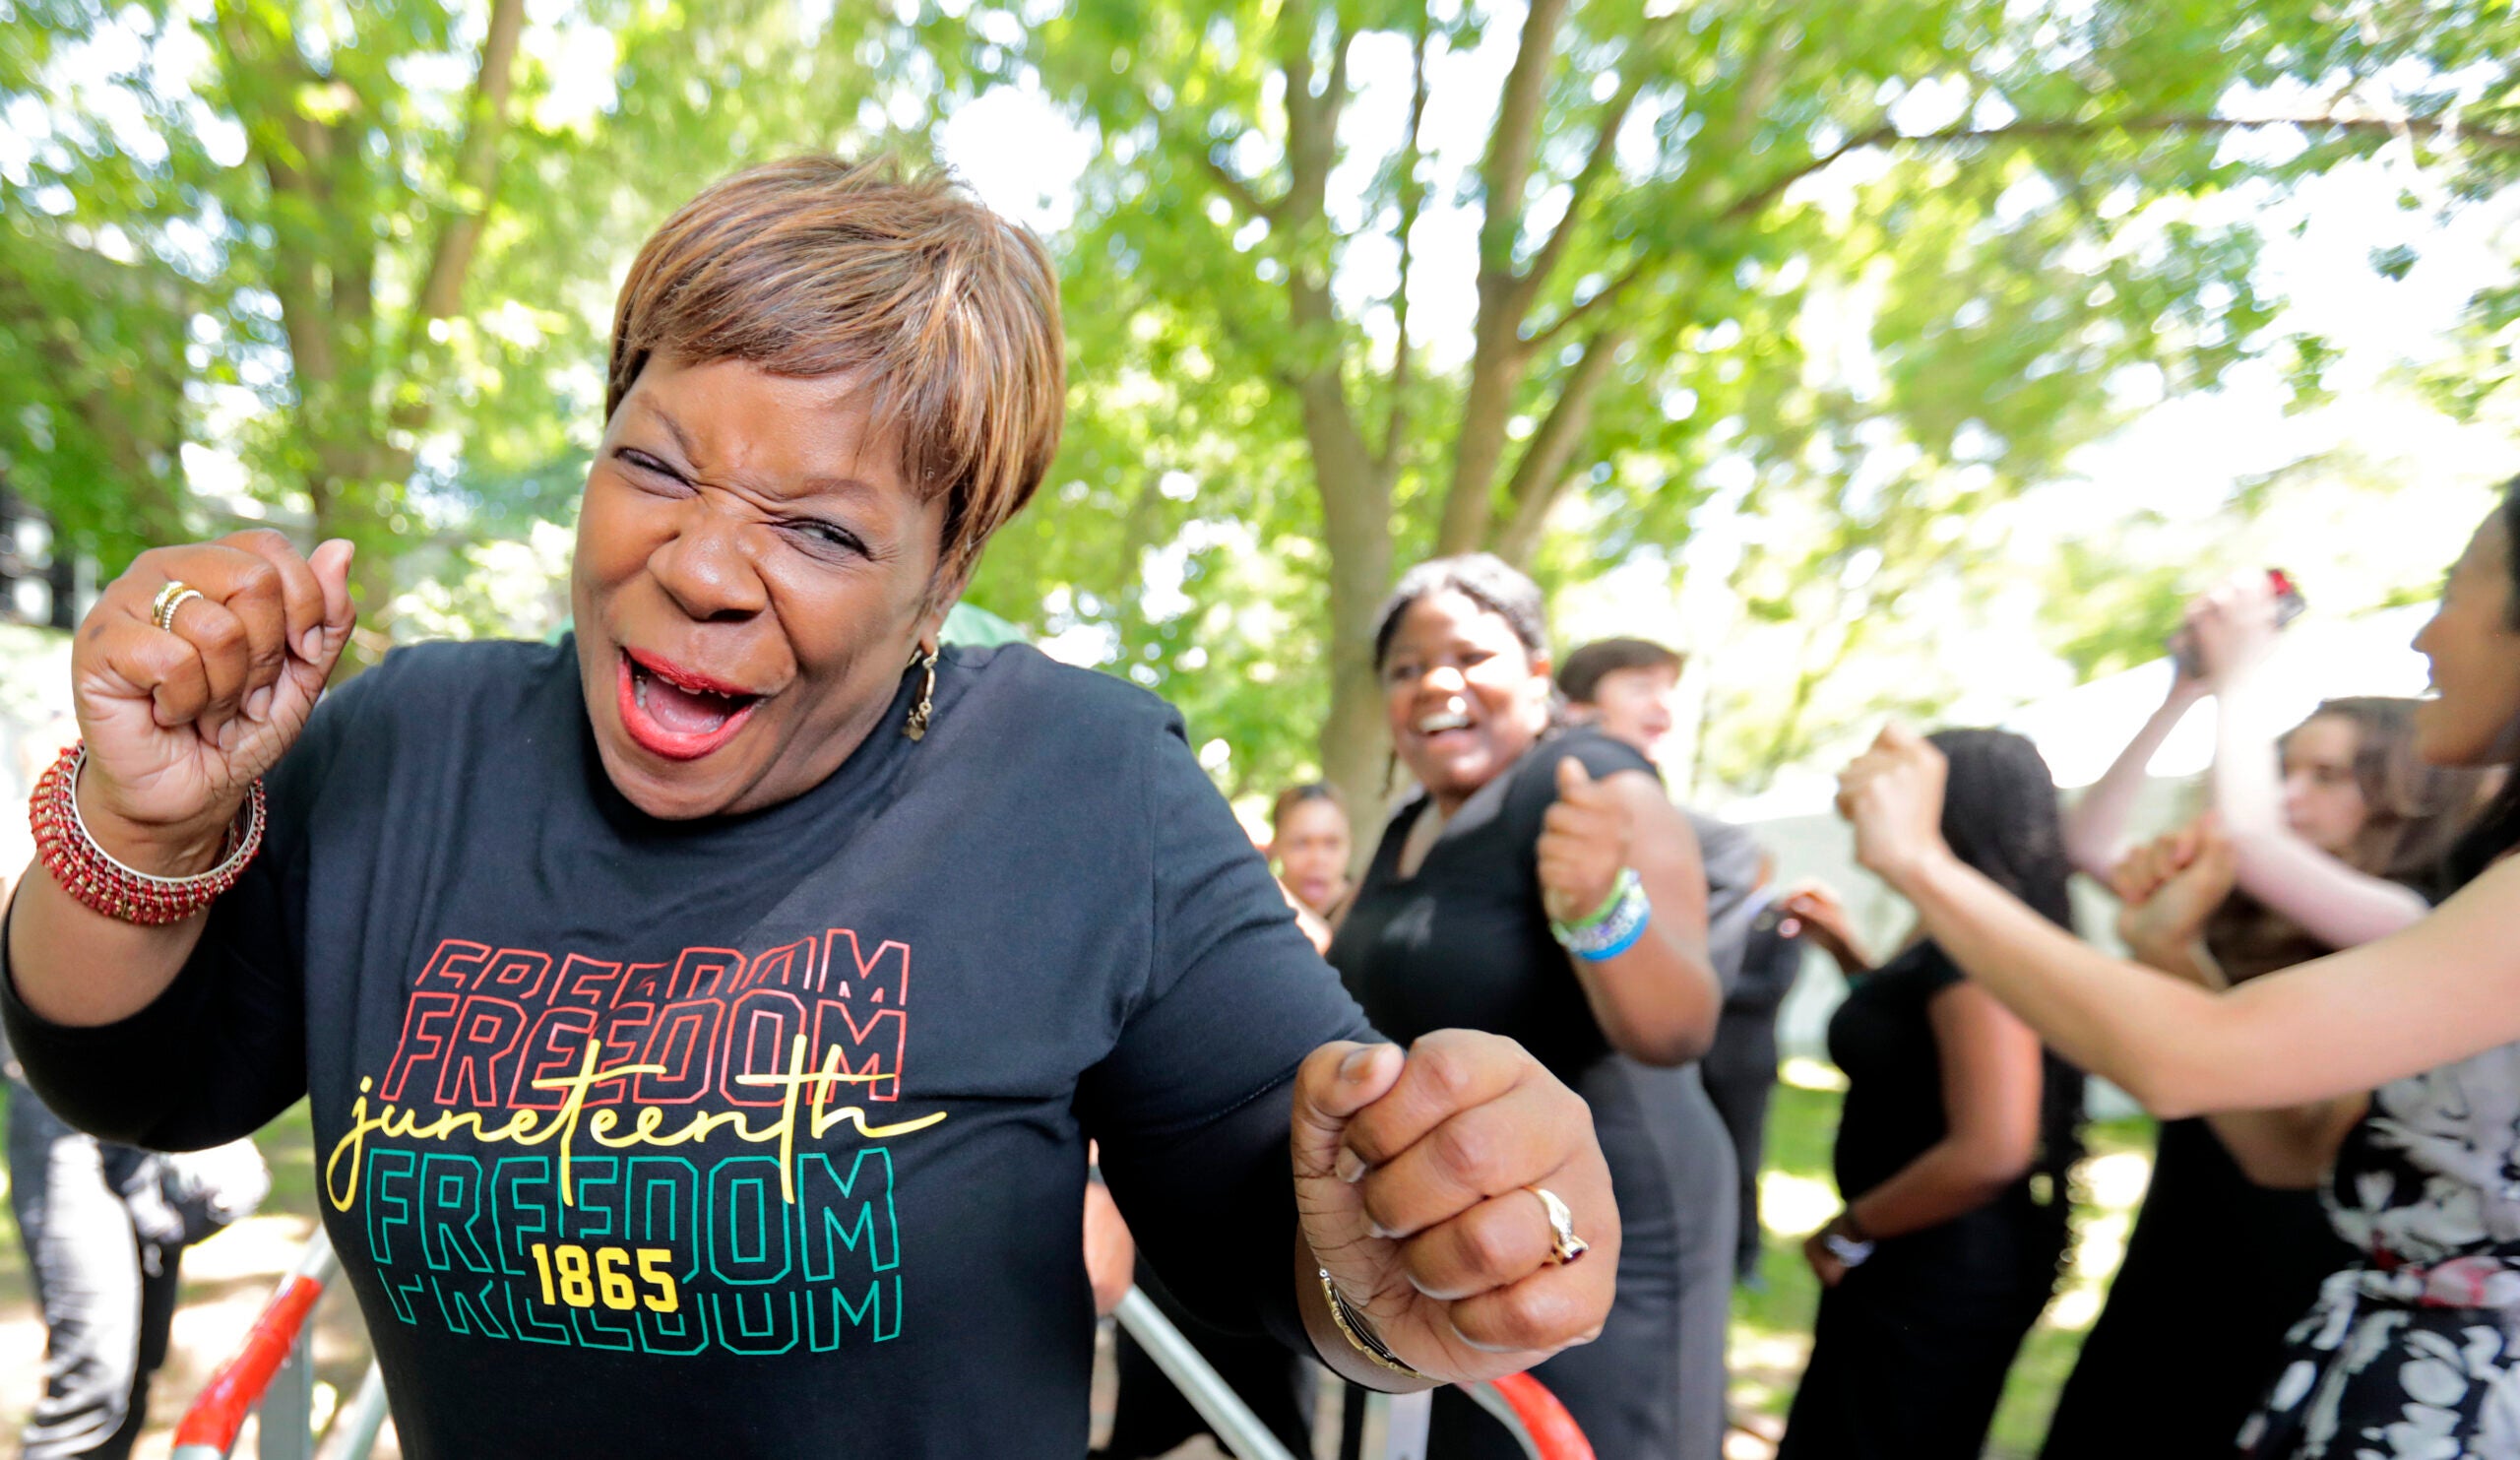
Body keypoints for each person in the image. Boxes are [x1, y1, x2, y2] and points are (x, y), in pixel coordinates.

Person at [0, 157, 1623, 1459]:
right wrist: (143, 832)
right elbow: (135, 1075)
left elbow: (1286, 1234)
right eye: (653, 465)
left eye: (824, 533)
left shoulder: (1081, 781)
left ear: (945, 579)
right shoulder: (407, 739)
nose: (701, 566)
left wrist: (1426, 1259)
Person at [1833, 476, 2520, 1458]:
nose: (2425, 639)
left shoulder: (2436, 913)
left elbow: (2188, 1056)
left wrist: (1920, 861)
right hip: (2337, 1346)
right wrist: (2168, 946)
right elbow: (2290, 1150)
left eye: (2455, 591)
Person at [2044, 641, 2490, 1457]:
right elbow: (2090, 842)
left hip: (2291, 1253)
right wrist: (2184, 690)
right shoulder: (2240, 906)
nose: (2288, 794)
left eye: (2327, 775)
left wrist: (2241, 662)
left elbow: (2249, 837)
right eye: (2284, 767)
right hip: (2185, 1226)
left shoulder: (2407, 922)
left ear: (2401, 793)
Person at [1329, 556, 1729, 1460]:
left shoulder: (1589, 775)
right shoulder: (1403, 827)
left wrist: (1597, 909)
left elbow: (1676, 1024)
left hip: (1603, 1219)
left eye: (1470, 655)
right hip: (1454, 1211)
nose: (1435, 680)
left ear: (1539, 677)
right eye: (1404, 667)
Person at [1777, 729, 2085, 1460]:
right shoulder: (1948, 933)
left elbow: (1996, 1144)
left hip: (1937, 1259)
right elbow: (1917, 1049)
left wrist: (1851, 1227)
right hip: (1916, 1252)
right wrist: (1852, 956)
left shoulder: (1973, 954)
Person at [1556, 634, 1759, 1411]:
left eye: (1668, 688)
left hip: (1649, 1143)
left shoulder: (1678, 823)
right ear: (1576, 704)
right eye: (1640, 685)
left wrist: (1610, 915)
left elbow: (1684, 1010)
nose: (1662, 704)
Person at [1704, 868, 1841, 1284]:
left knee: (1744, 1164)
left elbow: (1772, 986)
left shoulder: (1781, 923)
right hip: (1699, 1060)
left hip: (1745, 1063)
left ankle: (1747, 1258)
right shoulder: (1709, 913)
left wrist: (1706, 984)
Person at [1270, 783, 1354, 923]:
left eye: (1331, 843)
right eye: (1301, 843)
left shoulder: (1375, 914)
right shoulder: (1256, 911)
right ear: (1276, 845)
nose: (1317, 859)